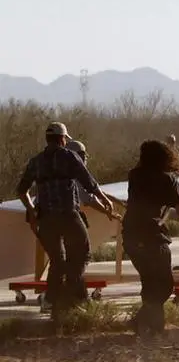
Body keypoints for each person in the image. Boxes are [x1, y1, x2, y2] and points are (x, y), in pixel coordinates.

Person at [15, 122, 115, 319]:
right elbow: (89, 183)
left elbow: (21, 190)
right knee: (82, 254)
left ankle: (53, 301)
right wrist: (106, 200)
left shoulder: (36, 161)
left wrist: (32, 210)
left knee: (57, 261)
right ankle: (74, 295)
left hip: (46, 220)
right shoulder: (69, 156)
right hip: (68, 215)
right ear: (62, 139)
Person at [122, 139, 179, 335]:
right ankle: (142, 321)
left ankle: (152, 328)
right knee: (164, 285)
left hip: (130, 234)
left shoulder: (134, 175)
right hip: (152, 235)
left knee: (149, 281)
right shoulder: (167, 179)